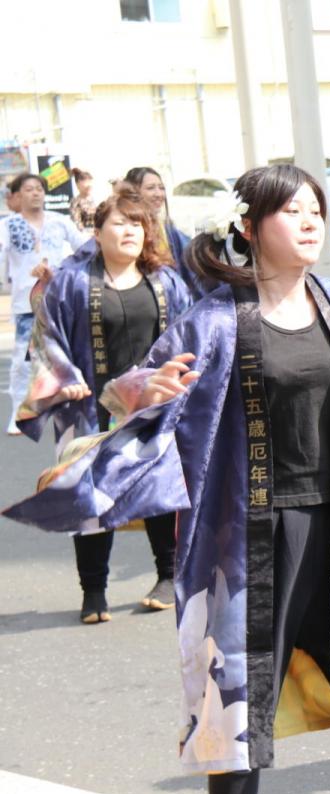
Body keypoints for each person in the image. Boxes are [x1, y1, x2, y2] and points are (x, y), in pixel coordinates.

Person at [5, 164, 330, 794]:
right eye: (292, 210)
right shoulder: (213, 322)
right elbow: (128, 391)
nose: (309, 222)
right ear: (249, 226)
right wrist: (138, 392)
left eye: (316, 211)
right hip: (247, 535)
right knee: (238, 699)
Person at [16, 189, 192, 622]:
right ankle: (93, 590)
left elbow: (191, 337)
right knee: (88, 499)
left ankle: (167, 577)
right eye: (119, 223)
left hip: (153, 407)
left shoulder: (166, 282)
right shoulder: (72, 282)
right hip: (89, 408)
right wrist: (64, 381)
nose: (130, 231)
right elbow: (46, 336)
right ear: (97, 233)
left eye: (137, 223)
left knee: (158, 492)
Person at [1, 173, 91, 434]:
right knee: (22, 359)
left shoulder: (59, 221)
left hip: (61, 300)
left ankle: (66, 407)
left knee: (65, 354)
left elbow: (84, 248)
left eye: (39, 188)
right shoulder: (8, 225)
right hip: (26, 303)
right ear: (17, 196)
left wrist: (63, 273)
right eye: (29, 189)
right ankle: (19, 410)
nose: (36, 193)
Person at [124, 166, 209, 298]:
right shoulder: (128, 231)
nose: (158, 194)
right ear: (134, 192)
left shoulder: (168, 229)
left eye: (161, 188)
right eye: (151, 188)